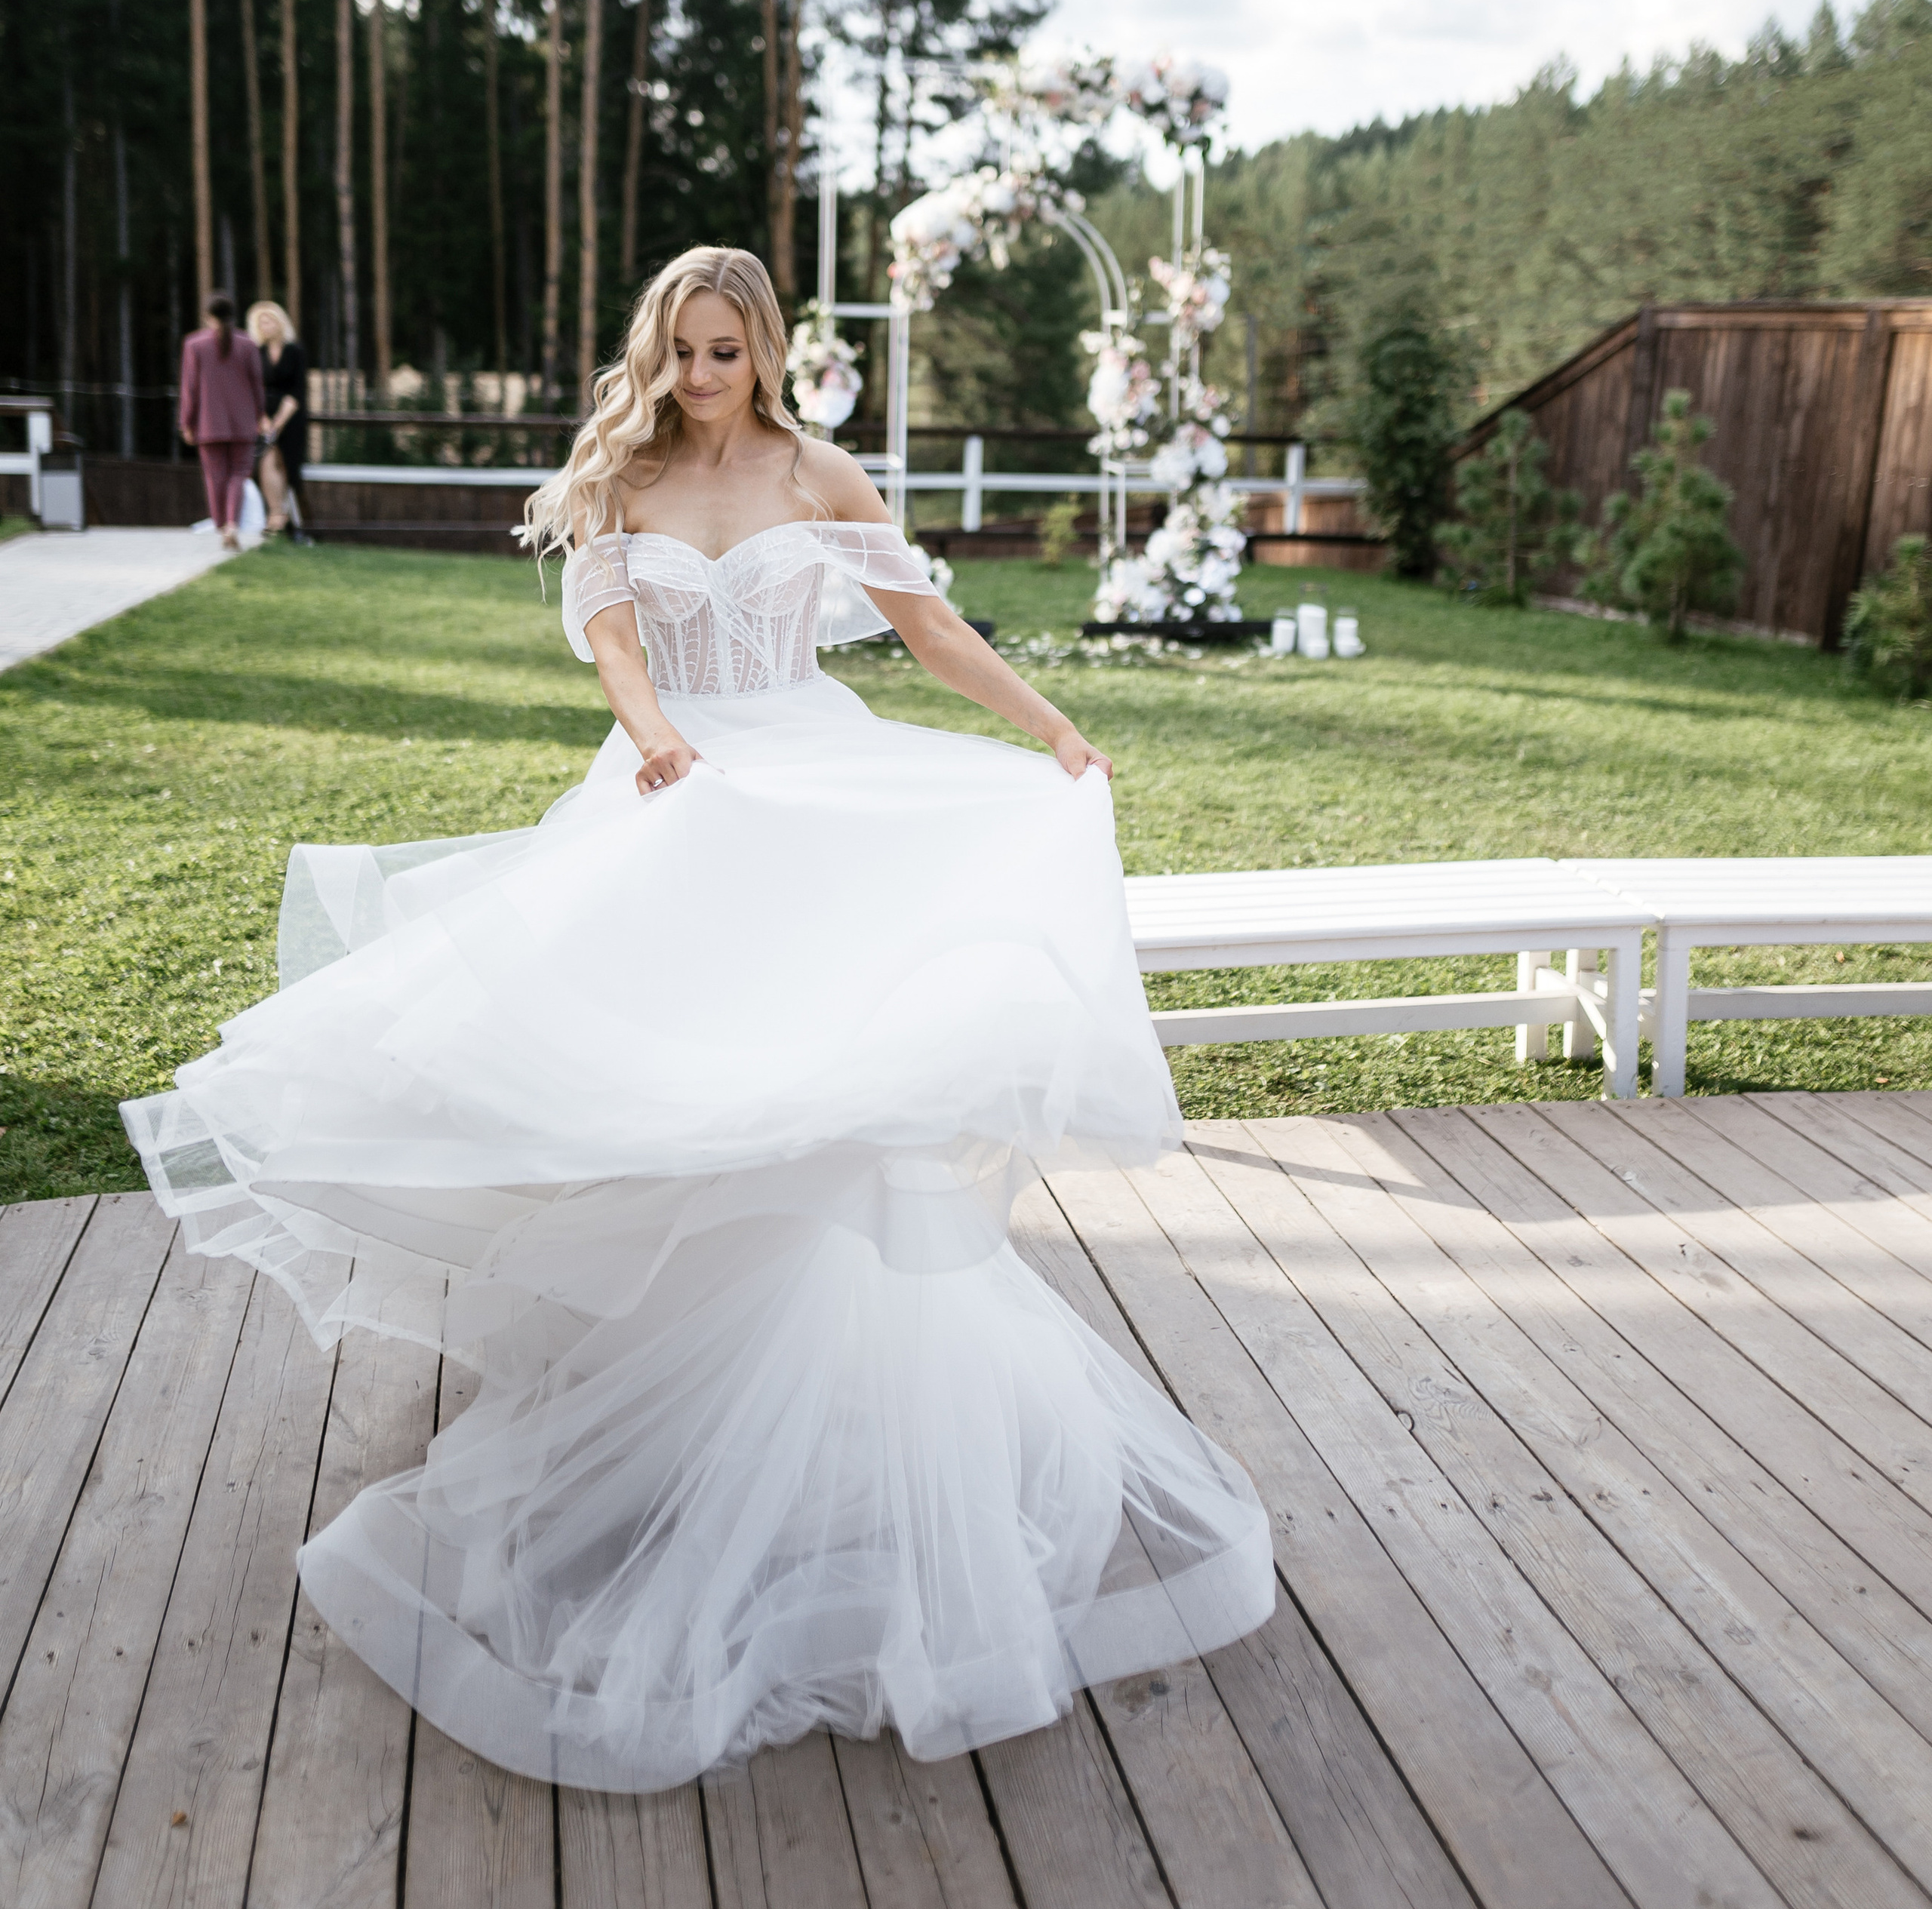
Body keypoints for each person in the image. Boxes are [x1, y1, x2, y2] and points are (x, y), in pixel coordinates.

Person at [123, 244, 1272, 1790]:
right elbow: (613, 645)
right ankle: (669, 1426)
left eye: (723, 351)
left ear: (767, 350)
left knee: (819, 1107)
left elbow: (926, 631)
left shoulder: (819, 470)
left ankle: (804, 1430)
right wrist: (662, 741)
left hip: (814, 784)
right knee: (673, 1102)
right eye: (679, 349)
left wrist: (1052, 727)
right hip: (677, 796)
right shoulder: (623, 473)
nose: (697, 374)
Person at [178, 290, 266, 549]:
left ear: (208, 316)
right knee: (239, 474)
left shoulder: (194, 344)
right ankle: (232, 524)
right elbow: (257, 385)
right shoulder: (248, 344)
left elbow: (189, 388)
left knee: (215, 475)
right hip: (243, 422)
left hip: (208, 423)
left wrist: (186, 421)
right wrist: (260, 415)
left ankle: (220, 525)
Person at [245, 300, 309, 537]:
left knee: (286, 465)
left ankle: (288, 518)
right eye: (261, 322)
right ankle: (276, 514)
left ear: (279, 322)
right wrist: (263, 420)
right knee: (267, 462)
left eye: (269, 320)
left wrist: (279, 422)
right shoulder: (256, 353)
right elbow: (253, 389)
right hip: (263, 417)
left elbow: (297, 390)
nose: (265, 326)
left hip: (291, 418)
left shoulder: (295, 351)